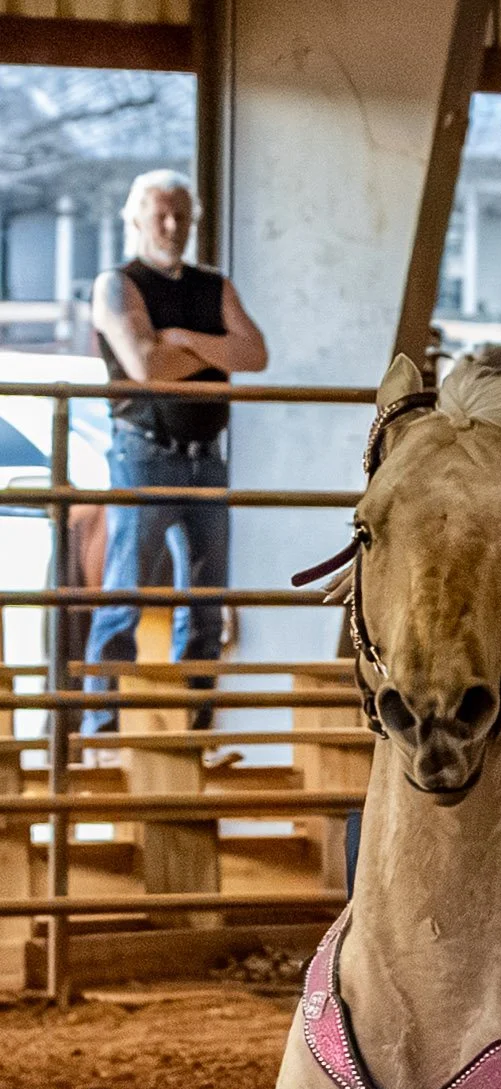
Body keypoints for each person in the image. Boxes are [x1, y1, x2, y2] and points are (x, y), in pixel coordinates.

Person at [86, 169, 268, 737]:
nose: (172, 226)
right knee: (126, 595)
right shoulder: (118, 284)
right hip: (144, 453)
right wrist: (215, 351)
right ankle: (100, 729)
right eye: (162, 214)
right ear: (136, 216)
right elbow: (145, 367)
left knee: (209, 604)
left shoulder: (213, 284)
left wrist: (183, 340)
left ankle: (196, 730)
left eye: (182, 216)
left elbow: (256, 353)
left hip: (207, 456)